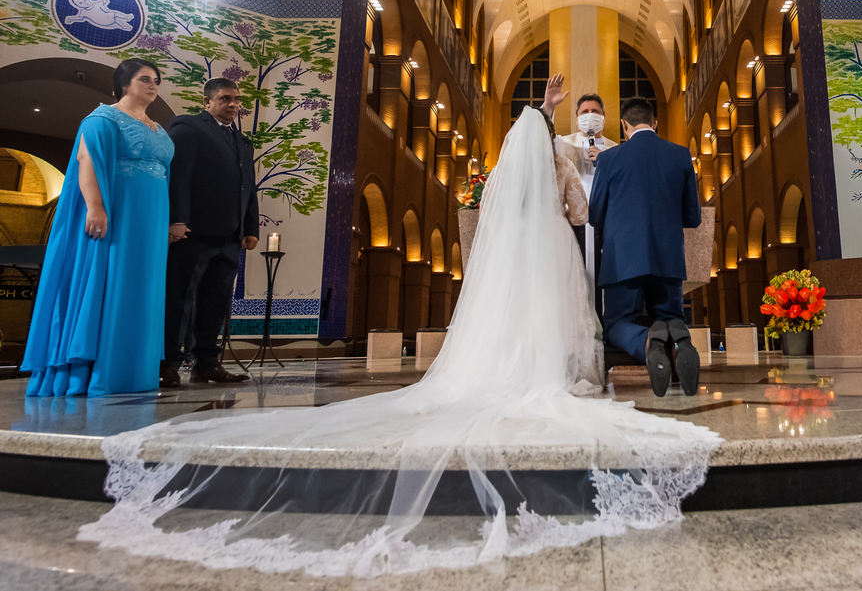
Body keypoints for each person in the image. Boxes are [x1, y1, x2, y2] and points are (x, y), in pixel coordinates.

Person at [79, 106, 720, 576]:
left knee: (543, 320)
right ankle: (666, 337)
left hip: (537, 254)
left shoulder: (513, 173)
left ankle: (627, 347)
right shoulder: (597, 158)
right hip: (588, 248)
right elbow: (586, 214)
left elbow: (597, 207)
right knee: (628, 309)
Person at [21, 59, 174, 396]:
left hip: (150, 219)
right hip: (118, 212)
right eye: (144, 79)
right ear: (123, 83)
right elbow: (86, 160)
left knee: (141, 286)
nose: (152, 85)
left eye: (156, 80)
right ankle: (95, 371)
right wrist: (96, 208)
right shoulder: (103, 118)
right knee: (111, 280)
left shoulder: (158, 128)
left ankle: (134, 371)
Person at [589, 97, 703, 397]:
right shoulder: (680, 155)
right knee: (670, 315)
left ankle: (647, 341)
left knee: (616, 323)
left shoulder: (609, 159)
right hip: (668, 259)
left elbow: (594, 214)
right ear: (655, 123)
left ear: (624, 126)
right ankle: (681, 343)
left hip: (622, 260)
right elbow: (693, 217)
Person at [160, 77, 258, 388]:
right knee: (181, 299)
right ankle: (167, 363)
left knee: (215, 302)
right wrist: (177, 219)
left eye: (236, 100)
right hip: (194, 233)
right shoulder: (189, 128)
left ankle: (205, 363)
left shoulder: (243, 142)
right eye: (225, 99)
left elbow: (248, 188)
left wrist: (250, 227)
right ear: (207, 102)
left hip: (230, 237)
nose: (233, 105)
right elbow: (179, 176)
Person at [542, 74, 615, 303]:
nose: (590, 115)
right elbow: (538, 138)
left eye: (595, 111)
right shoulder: (562, 143)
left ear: (604, 118)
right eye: (585, 112)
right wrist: (549, 107)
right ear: (576, 119)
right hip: (573, 224)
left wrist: (607, 161)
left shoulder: (616, 150)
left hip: (606, 224)